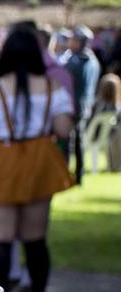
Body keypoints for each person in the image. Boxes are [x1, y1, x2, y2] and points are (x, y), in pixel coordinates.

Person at [0, 29, 74, 292]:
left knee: (1, 238)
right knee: (36, 238)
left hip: (3, 158)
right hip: (40, 159)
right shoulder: (54, 88)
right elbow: (64, 130)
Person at [61, 26, 102, 184]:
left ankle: (65, 175)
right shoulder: (93, 60)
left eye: (72, 39)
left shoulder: (76, 60)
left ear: (79, 41)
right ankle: (79, 175)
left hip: (73, 106)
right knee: (79, 142)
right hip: (85, 106)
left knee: (69, 143)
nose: (69, 42)